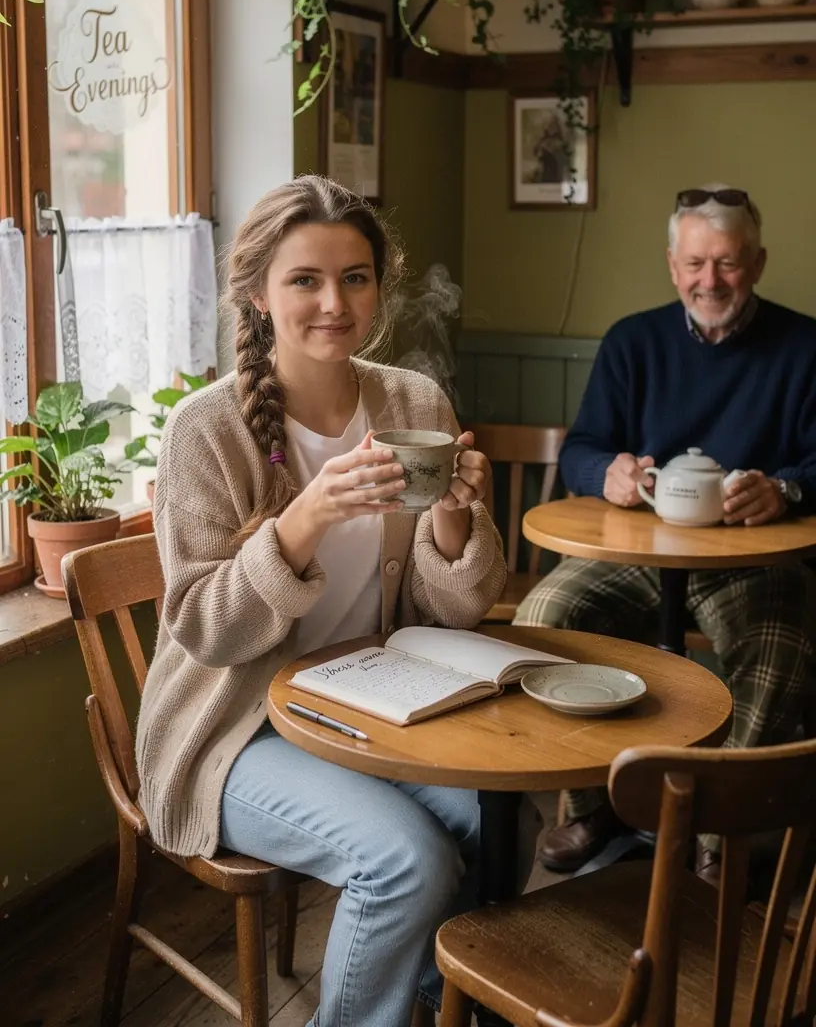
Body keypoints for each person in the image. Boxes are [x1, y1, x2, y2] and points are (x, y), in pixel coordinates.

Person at [135, 175, 507, 1027]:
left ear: (381, 286)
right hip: (232, 728)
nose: (334, 303)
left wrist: (454, 523)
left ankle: (440, 1001)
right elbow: (205, 630)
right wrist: (306, 517)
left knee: (493, 810)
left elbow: (451, 609)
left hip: (365, 703)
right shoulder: (206, 428)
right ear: (259, 294)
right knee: (409, 859)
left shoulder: (414, 403)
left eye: (356, 277)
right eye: (305, 279)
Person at [515, 185, 816, 878]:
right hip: (640, 545)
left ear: (759, 262)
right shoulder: (632, 340)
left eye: (729, 264)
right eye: (695, 263)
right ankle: (599, 806)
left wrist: (787, 489)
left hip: (753, 554)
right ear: (672, 264)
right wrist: (607, 473)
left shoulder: (804, 347)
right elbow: (583, 446)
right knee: (546, 619)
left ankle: (716, 836)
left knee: (781, 647)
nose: (710, 281)